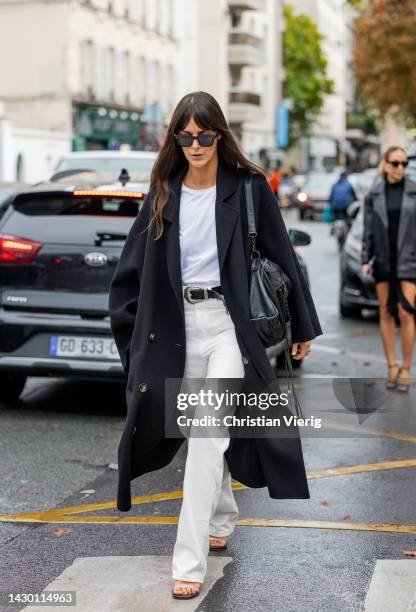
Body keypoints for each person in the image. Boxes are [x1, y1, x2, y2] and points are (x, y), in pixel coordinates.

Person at [108, 91, 322, 600]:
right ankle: (223, 512)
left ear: (220, 136)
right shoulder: (162, 192)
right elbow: (129, 274)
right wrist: (130, 337)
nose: (196, 144)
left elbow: (283, 258)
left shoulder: (248, 189)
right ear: (175, 138)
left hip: (229, 325)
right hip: (177, 328)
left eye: (205, 134)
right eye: (186, 135)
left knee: (207, 436)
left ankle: (189, 560)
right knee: (204, 431)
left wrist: (304, 329)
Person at [362, 146, 416, 392]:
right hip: (383, 260)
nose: (400, 168)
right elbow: (368, 231)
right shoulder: (373, 194)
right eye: (395, 163)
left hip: (409, 261)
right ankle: (391, 365)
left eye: (404, 163)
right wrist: (366, 259)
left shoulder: (414, 191)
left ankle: (406, 368)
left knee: (406, 313)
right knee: (385, 312)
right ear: (385, 165)